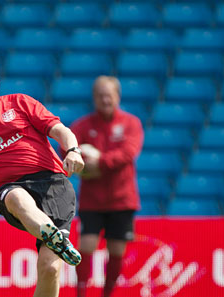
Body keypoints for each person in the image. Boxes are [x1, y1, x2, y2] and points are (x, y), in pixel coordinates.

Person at [0, 59, 84, 297]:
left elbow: (60, 130)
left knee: (50, 268)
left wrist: (73, 150)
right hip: (10, 191)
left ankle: (53, 239)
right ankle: (54, 237)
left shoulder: (19, 103)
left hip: (52, 184)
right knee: (17, 197)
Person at [70, 76, 144, 297]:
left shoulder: (131, 123)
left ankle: (107, 294)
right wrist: (80, 162)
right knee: (86, 245)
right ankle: (81, 294)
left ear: (117, 97)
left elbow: (129, 153)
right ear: (94, 98)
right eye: (100, 95)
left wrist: (99, 161)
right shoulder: (82, 126)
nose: (105, 99)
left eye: (109, 95)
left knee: (116, 251)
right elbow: (69, 152)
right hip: (92, 200)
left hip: (122, 199)